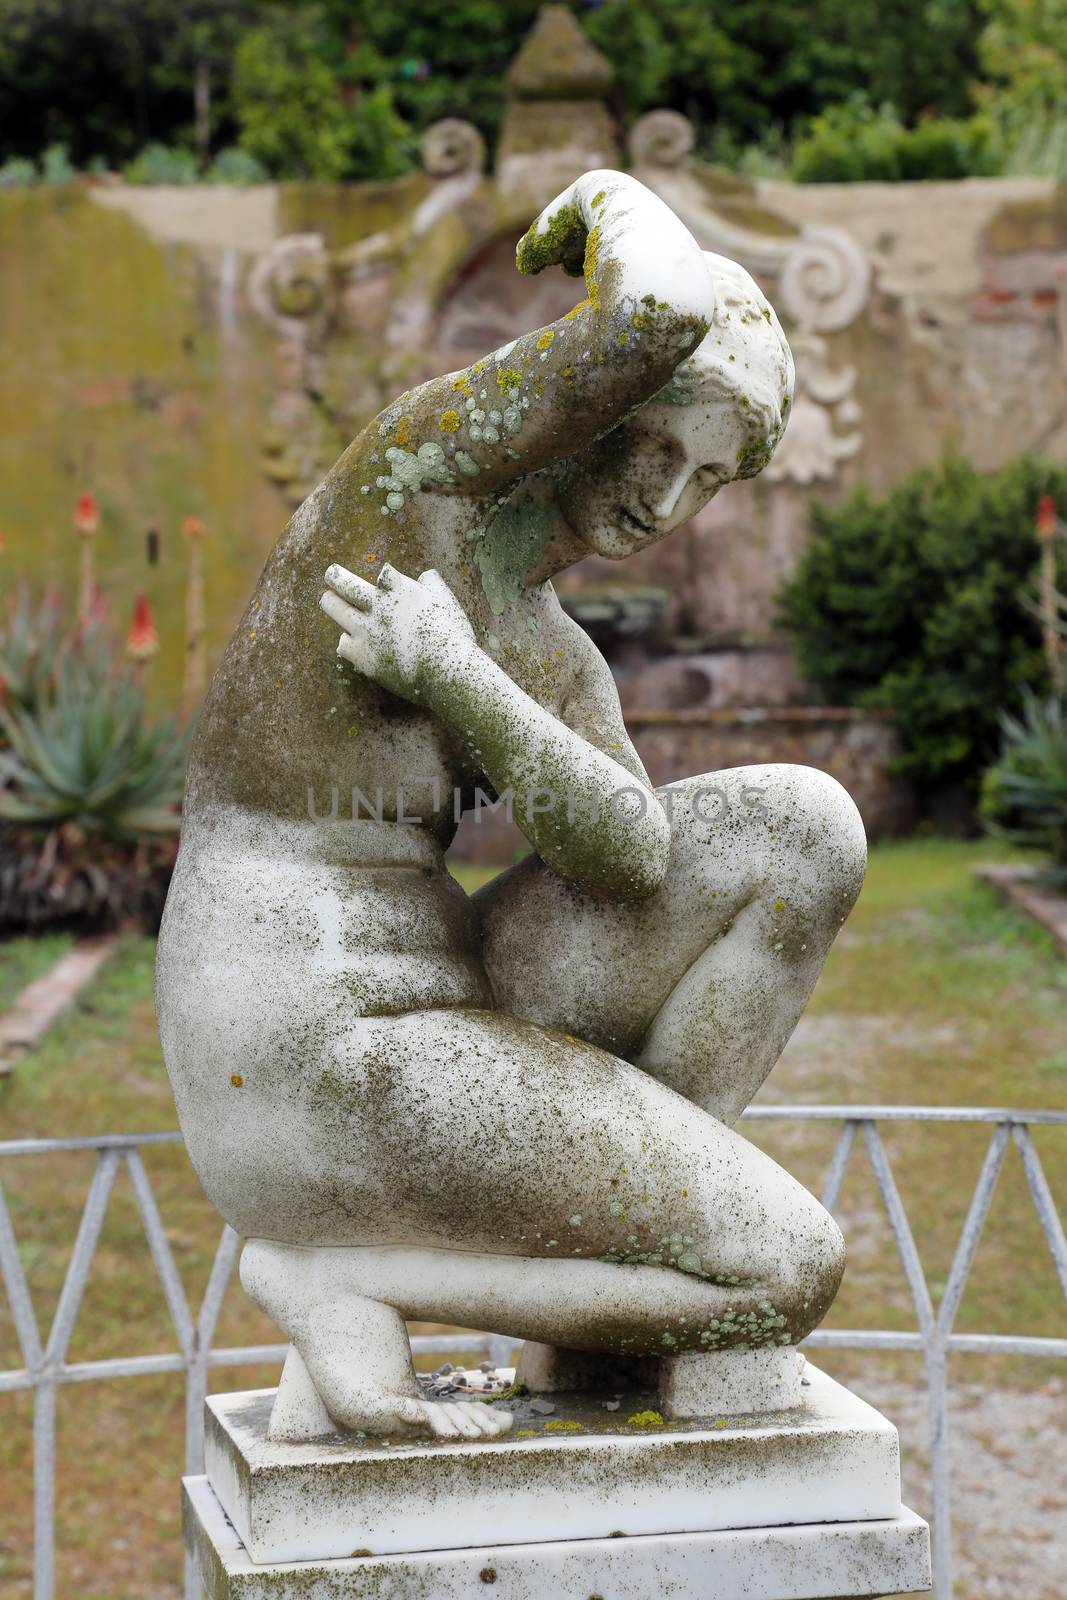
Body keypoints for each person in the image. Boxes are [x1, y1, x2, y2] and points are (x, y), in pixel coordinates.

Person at [156, 170, 865, 1441]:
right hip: (304, 1043)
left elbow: (632, 857)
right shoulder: (412, 488)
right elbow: (655, 305)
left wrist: (459, 680)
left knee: (805, 829)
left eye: (706, 479)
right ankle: (345, 1275)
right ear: (592, 401)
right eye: (656, 441)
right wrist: (603, 192)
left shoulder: (541, 646)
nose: (663, 499)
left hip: (443, 1011)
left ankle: (608, 1313)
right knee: (782, 1271)